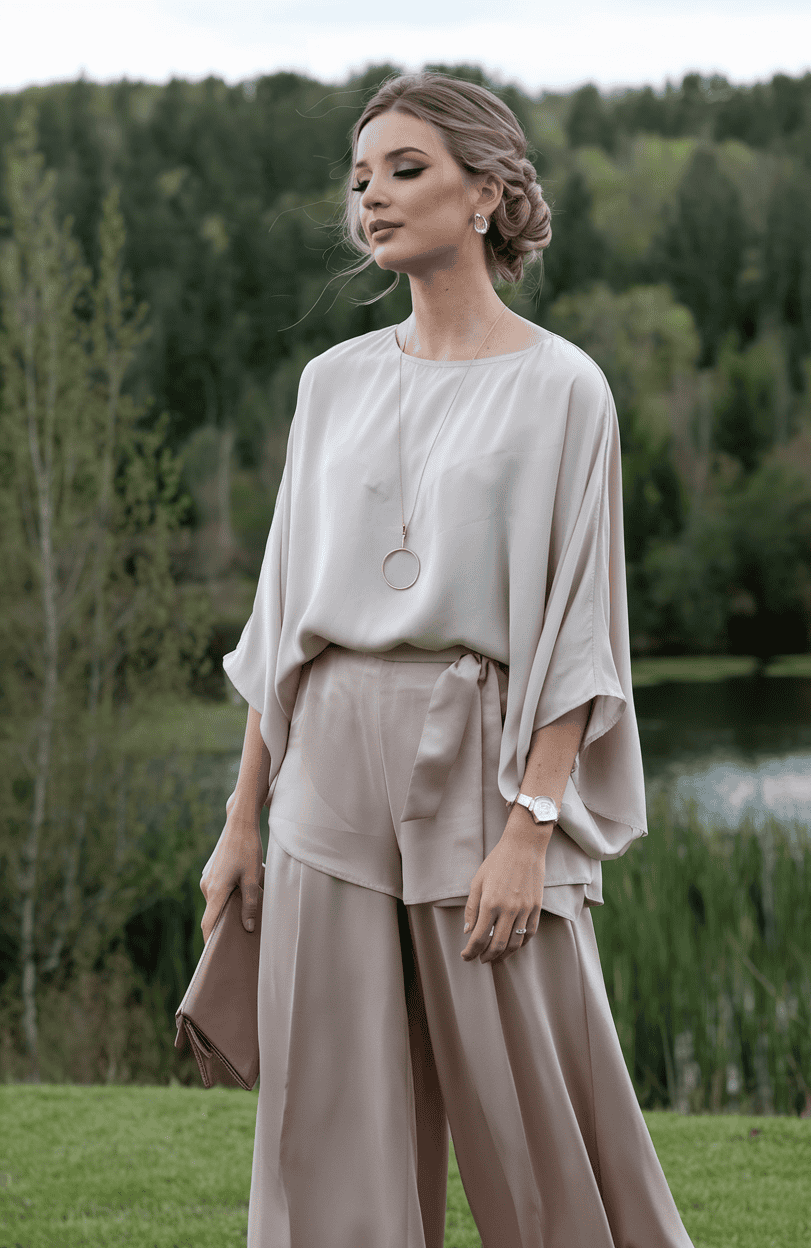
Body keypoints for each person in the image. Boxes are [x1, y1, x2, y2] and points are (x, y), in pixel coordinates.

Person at [200, 70, 697, 1248]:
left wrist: (530, 827)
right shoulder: (332, 384)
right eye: (359, 176)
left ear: (487, 193)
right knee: (326, 1125)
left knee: (544, 1115)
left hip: (478, 763)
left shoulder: (563, 387)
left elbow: (578, 629)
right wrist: (239, 820)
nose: (370, 196)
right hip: (323, 763)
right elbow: (283, 620)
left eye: (405, 169)